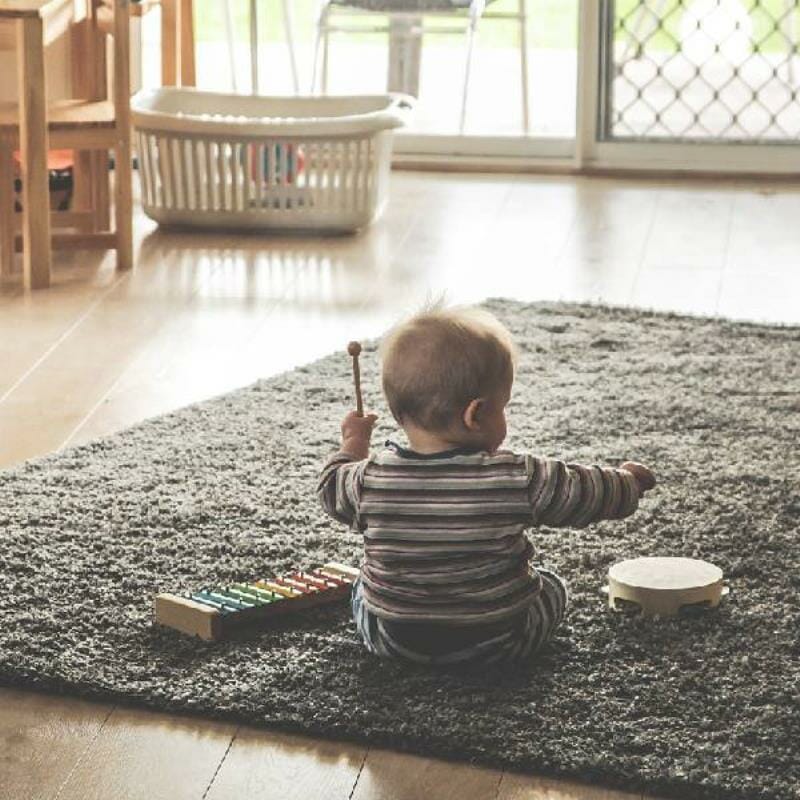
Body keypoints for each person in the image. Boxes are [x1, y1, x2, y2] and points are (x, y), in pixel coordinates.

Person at [318, 305, 655, 666]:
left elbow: (330, 486)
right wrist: (629, 482)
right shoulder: (517, 476)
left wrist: (353, 443)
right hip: (499, 641)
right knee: (553, 586)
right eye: (503, 407)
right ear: (475, 415)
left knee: (361, 586)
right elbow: (584, 492)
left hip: (394, 640)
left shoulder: (367, 480)